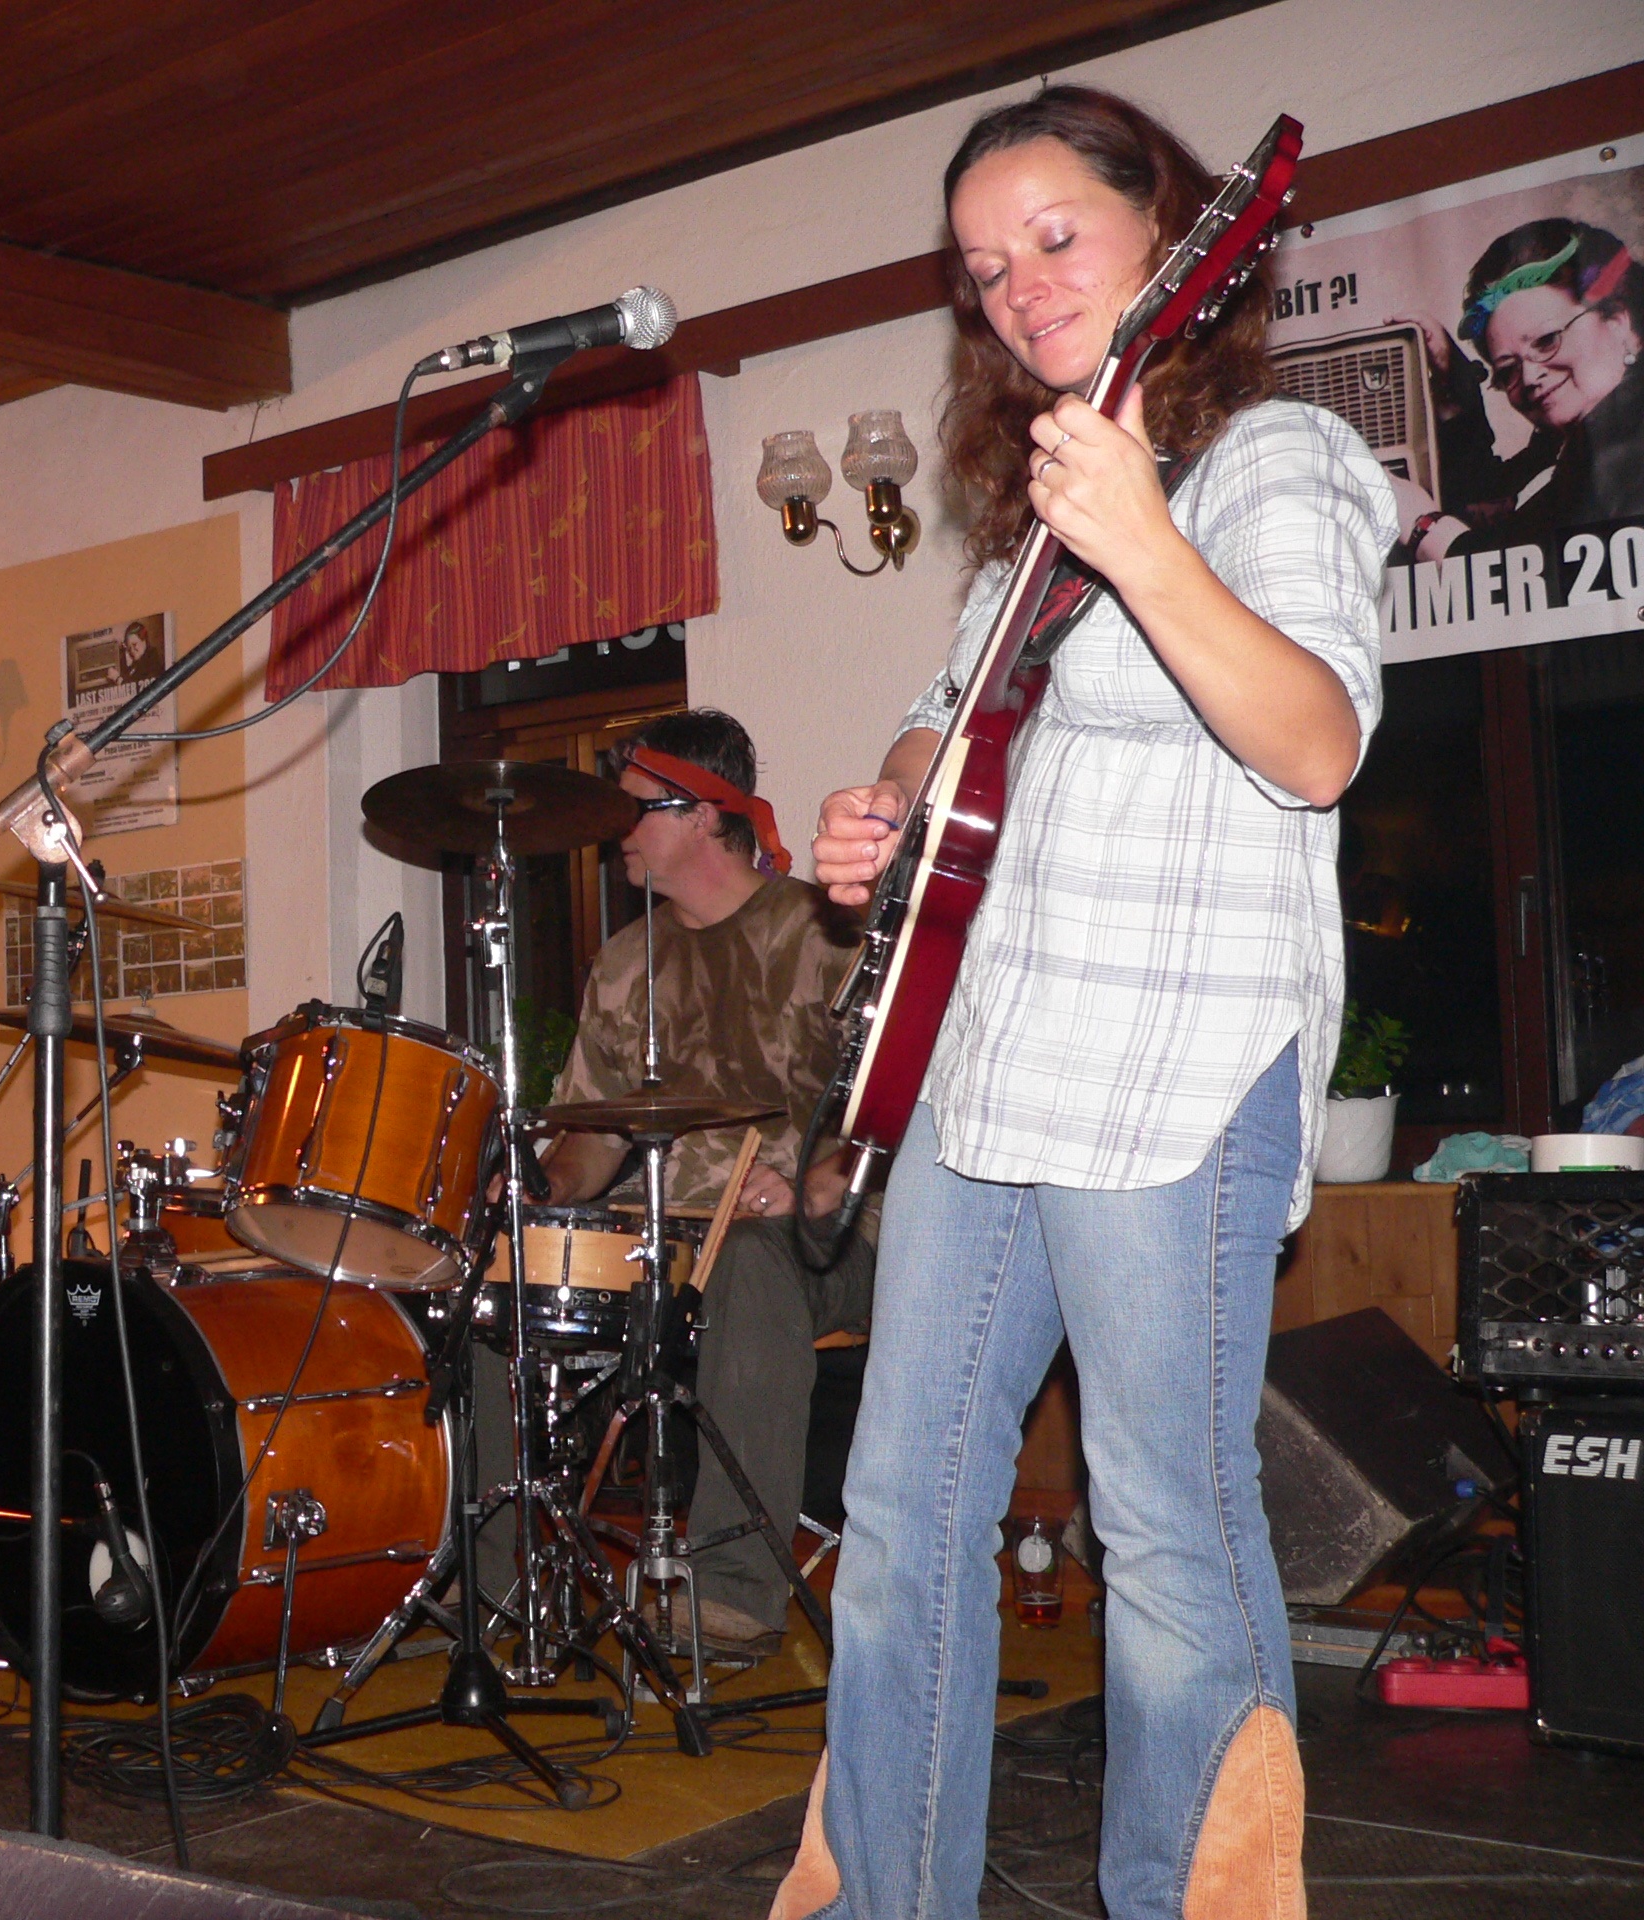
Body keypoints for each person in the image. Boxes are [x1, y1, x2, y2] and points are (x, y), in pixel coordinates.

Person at [785, 88, 1393, 1919]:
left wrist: (1145, 537)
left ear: (1173, 234)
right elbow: (948, 718)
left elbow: (1317, 742)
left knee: (1165, 1529)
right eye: (985, 268)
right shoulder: (1027, 526)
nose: (1020, 286)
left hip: (1175, 1063)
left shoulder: (1275, 458)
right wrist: (884, 804)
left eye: (1055, 237)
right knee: (900, 1521)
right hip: (987, 1071)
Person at [473, 709, 872, 1655]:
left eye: (638, 808)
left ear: (701, 814)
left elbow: (908, 1095)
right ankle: (493, 1587)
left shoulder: (826, 934)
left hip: (828, 1237)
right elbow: (592, 1140)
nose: (617, 831)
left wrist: (816, 1179)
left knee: (750, 1266)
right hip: (664, 1236)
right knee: (502, 1278)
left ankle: (733, 1590)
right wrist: (538, 1192)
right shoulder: (624, 964)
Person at [1402, 218, 1642, 561]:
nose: (1529, 377)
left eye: (1547, 341)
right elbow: (1495, 504)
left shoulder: (1623, 441)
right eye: (1507, 370)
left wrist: (1423, 527)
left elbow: (1521, 565)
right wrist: (1457, 388)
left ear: (1619, 323)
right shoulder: (1575, 443)